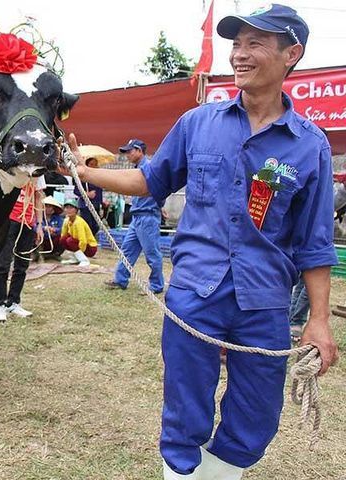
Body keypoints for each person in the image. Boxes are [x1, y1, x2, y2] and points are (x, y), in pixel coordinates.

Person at [66, 6, 338, 479]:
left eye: (255, 44)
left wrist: (318, 321)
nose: (240, 55)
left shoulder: (309, 145)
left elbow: (315, 243)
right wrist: (87, 172)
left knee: (255, 421)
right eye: (236, 44)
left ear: (291, 54)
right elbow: (152, 179)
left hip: (265, 302)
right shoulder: (198, 123)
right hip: (196, 292)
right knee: (185, 415)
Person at [104, 139, 164, 294]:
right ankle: (120, 279)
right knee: (127, 251)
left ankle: (156, 286)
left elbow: (162, 188)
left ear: (139, 150)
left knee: (152, 253)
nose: (127, 155)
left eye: (129, 151)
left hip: (147, 216)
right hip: (137, 216)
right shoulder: (138, 169)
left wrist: (159, 205)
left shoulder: (149, 168)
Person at [0, 179, 45, 321]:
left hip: (28, 221)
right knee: (3, 263)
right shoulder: (14, 165)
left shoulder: (38, 173)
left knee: (22, 265)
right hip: (9, 218)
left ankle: (14, 302)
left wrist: (39, 224)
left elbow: (39, 196)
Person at [60, 198, 98, 267]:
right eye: (66, 208)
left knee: (70, 241)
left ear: (76, 210)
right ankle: (74, 258)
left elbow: (83, 241)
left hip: (90, 247)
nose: (68, 210)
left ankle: (83, 260)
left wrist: (80, 252)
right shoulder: (66, 221)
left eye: (71, 208)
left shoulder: (78, 222)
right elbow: (63, 235)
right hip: (78, 244)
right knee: (63, 239)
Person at [73, 157, 103, 235]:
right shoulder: (82, 177)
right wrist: (87, 194)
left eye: (95, 165)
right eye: (91, 164)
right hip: (85, 205)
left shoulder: (98, 177)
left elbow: (99, 192)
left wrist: (102, 202)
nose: (94, 166)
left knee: (96, 225)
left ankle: (91, 239)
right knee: (87, 224)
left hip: (96, 205)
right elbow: (76, 190)